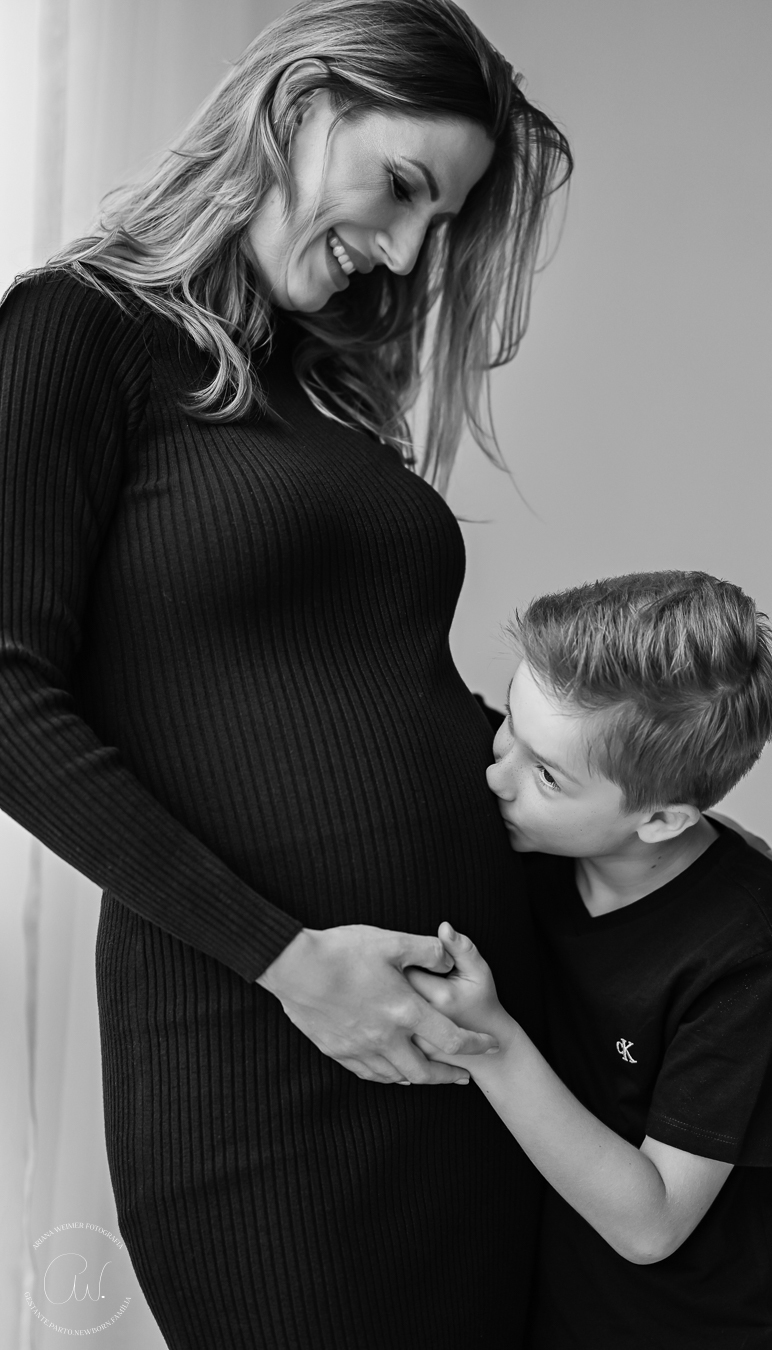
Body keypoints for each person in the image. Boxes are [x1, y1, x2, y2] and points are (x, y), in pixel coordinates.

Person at [0, 3, 572, 1347]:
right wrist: (291, 963)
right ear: (301, 106)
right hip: (259, 1043)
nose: (407, 252)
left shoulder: (321, 389)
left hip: (468, 1038)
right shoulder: (77, 329)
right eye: (401, 188)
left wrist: (651, 836)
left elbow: (377, 691)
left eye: (440, 221)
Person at [409, 571, 772, 1348]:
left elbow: (653, 1224)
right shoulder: (546, 817)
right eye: (511, 722)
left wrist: (491, 1044)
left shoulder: (753, 955)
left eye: (546, 776)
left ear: (664, 820)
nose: (495, 774)